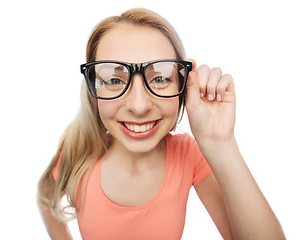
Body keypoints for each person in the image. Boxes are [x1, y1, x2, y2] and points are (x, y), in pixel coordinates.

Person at [37, 8, 286, 240]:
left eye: (161, 78)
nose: (139, 105)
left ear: (183, 86)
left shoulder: (188, 155)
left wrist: (220, 142)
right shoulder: (78, 151)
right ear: (93, 90)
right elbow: (45, 198)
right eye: (114, 79)